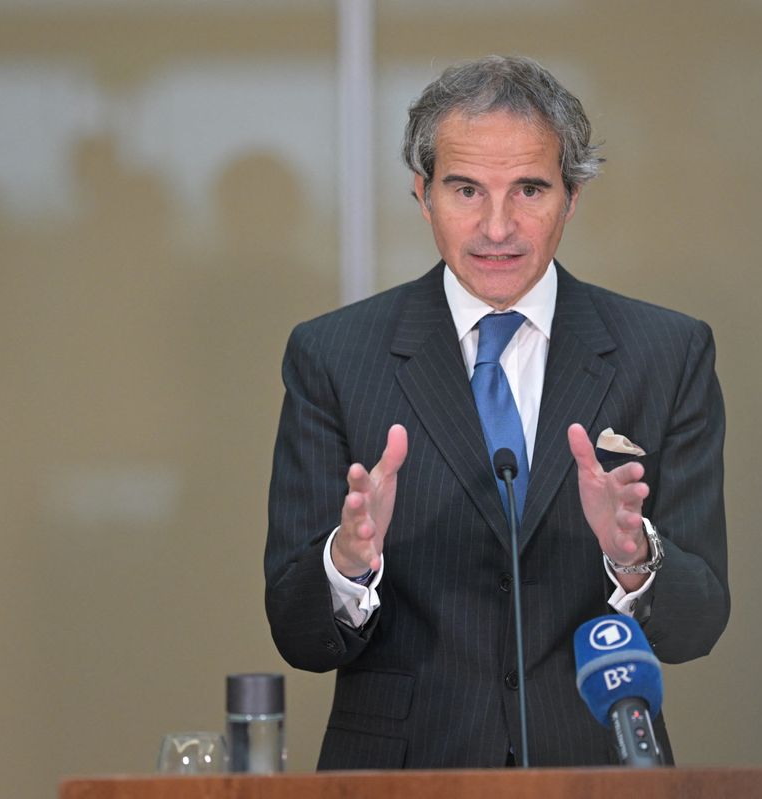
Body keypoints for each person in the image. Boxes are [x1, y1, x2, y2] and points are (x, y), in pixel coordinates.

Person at [264, 55, 728, 769]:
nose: (497, 226)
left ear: (571, 197)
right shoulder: (333, 355)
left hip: (598, 767)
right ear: (422, 195)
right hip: (401, 773)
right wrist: (348, 562)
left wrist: (635, 558)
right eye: (466, 190)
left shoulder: (665, 353)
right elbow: (298, 637)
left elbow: (698, 624)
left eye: (530, 190)